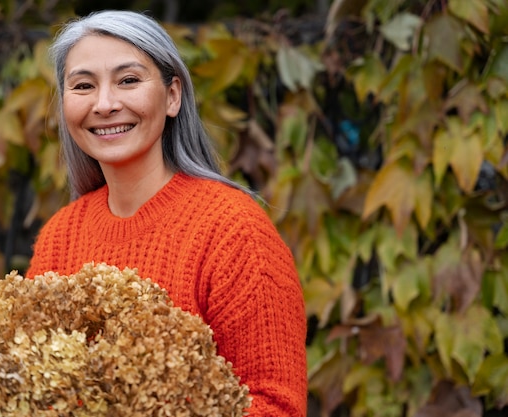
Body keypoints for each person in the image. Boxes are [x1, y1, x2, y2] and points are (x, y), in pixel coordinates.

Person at [26, 9, 307, 416]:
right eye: (83, 86)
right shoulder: (60, 238)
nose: (105, 104)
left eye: (128, 81)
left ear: (173, 96)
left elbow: (276, 405)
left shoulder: (233, 230)